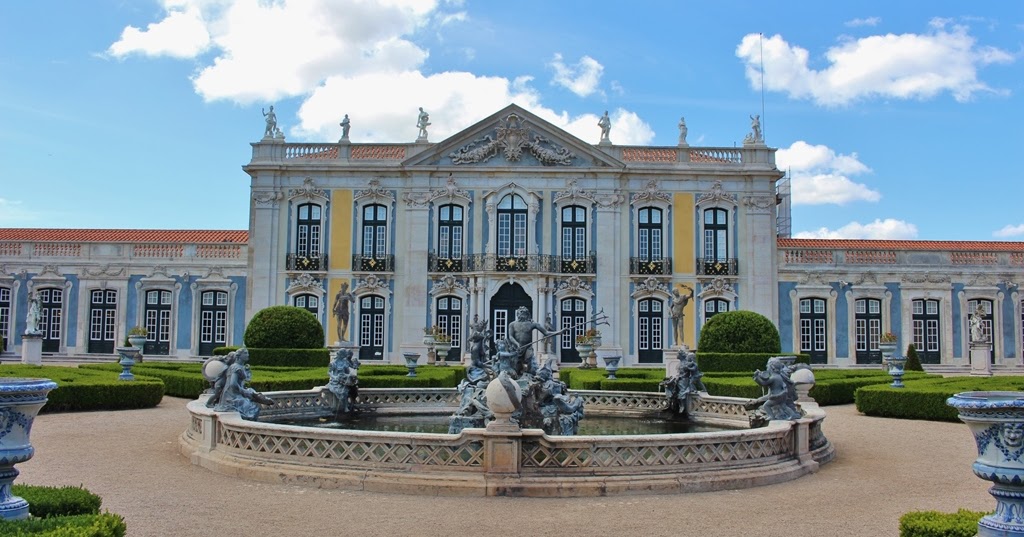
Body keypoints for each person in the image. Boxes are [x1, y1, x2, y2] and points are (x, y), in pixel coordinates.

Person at [212, 348, 273, 421]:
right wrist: (244, 392)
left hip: (235, 393)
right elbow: (233, 384)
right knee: (252, 408)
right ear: (239, 356)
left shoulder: (239, 366)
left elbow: (244, 380)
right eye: (245, 353)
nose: (248, 355)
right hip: (231, 396)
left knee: (252, 401)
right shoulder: (236, 367)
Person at [506, 306, 555, 376]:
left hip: (527, 347)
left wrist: (560, 332)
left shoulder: (532, 324)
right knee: (515, 369)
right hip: (516, 349)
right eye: (520, 312)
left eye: (523, 312)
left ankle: (530, 378)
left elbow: (546, 333)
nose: (521, 314)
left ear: (527, 314)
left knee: (531, 363)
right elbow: (510, 336)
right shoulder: (512, 324)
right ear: (517, 314)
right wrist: (516, 344)